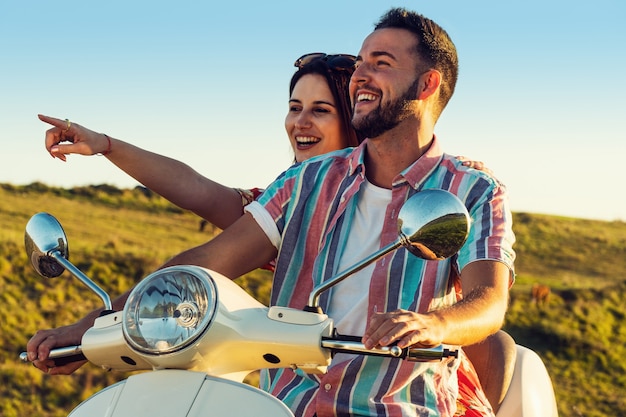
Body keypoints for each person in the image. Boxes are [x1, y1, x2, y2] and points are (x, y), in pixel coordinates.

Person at [29, 8, 515, 415]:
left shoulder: (471, 189)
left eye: (381, 62)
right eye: (361, 61)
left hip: (395, 405)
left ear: (427, 84)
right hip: (286, 405)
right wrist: (94, 327)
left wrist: (437, 324)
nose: (361, 74)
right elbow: (202, 261)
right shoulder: (306, 181)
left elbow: (488, 300)